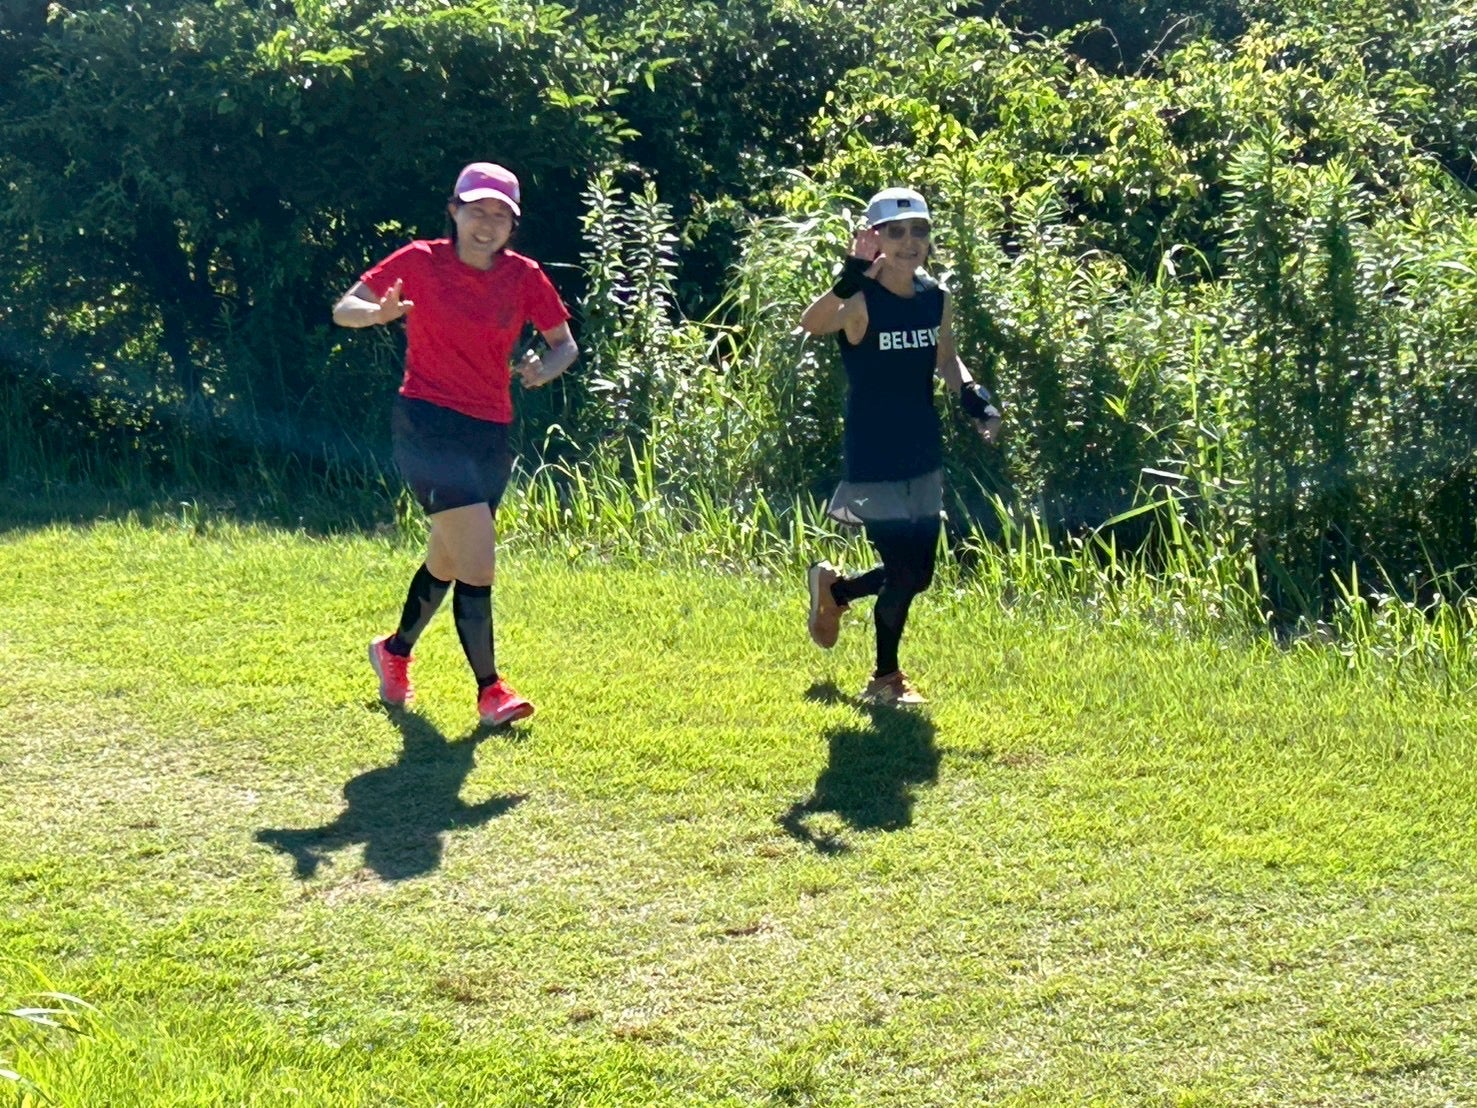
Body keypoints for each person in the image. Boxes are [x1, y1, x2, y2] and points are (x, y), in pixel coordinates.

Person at [332, 162, 578, 726]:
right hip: (426, 425)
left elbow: (564, 344)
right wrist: (378, 313)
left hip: (490, 430)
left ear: (512, 225)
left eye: (500, 215)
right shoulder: (419, 260)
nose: (486, 224)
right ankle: (491, 691)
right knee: (479, 558)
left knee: (449, 557)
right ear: (454, 211)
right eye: (476, 210)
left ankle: (393, 651)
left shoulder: (524, 276)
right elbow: (345, 309)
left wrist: (546, 368)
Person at [798, 187, 1002, 705]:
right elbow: (812, 324)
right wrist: (851, 272)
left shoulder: (935, 296)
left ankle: (837, 592)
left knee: (919, 574)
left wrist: (975, 399)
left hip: (922, 452)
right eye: (896, 232)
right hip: (873, 457)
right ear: (875, 238)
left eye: (919, 231)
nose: (910, 242)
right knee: (905, 571)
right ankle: (884, 679)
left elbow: (946, 360)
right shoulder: (859, 298)